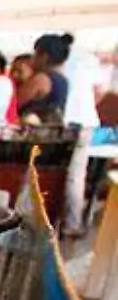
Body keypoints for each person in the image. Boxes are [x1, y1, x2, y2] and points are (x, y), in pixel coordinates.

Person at [56, 34, 107, 233]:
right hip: (86, 120)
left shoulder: (58, 58)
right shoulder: (89, 58)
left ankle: (58, 222)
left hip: (65, 120)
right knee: (76, 175)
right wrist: (87, 106)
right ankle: (72, 224)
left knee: (59, 172)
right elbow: (100, 91)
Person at [17, 34, 70, 123]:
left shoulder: (41, 79)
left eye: (35, 54)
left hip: (34, 132)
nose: (32, 59)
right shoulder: (63, 80)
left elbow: (15, 103)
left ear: (44, 56)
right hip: (52, 131)